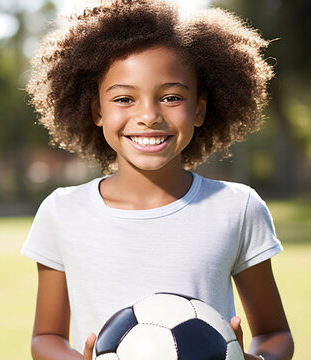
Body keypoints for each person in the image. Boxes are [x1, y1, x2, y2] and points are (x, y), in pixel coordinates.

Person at [21, 1, 294, 359]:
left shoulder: (237, 208)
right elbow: (45, 336)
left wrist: (255, 359)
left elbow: (275, 333)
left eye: (171, 97)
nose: (148, 116)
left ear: (198, 109)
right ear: (97, 111)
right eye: (124, 98)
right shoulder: (62, 212)